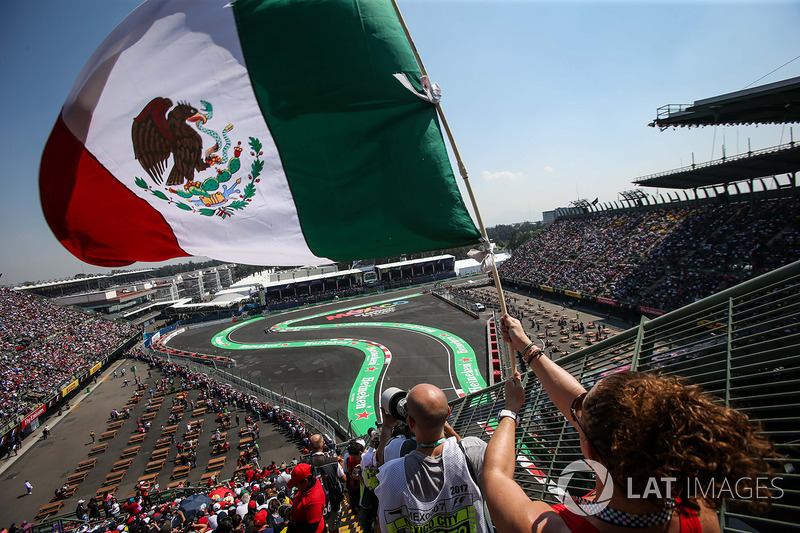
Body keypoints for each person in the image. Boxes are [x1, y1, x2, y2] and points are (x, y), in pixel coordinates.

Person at [482, 314, 777, 533]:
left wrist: (511, 409)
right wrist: (527, 347)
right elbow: (585, 409)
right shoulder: (700, 511)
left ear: (591, 452)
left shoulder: (556, 528)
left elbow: (496, 475)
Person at [375, 383, 488, 533]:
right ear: (448, 413)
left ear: (409, 422)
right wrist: (443, 423)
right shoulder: (474, 450)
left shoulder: (392, 472)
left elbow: (381, 459)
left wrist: (387, 428)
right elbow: (461, 448)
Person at [286, 463, 325, 533]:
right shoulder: (310, 483)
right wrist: (293, 509)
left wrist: (293, 525)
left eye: (296, 484)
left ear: (305, 481)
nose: (296, 487)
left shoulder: (314, 501)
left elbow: (312, 528)